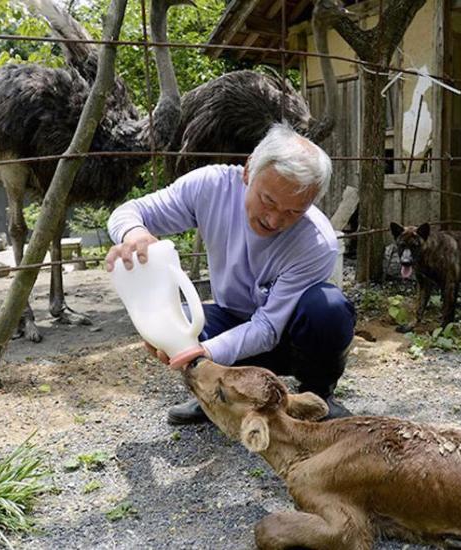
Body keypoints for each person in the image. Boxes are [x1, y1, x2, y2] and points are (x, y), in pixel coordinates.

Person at [106, 123, 356, 424]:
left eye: (293, 212)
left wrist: (203, 354)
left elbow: (267, 328)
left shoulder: (317, 243)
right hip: (231, 316)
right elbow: (129, 212)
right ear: (249, 170)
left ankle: (317, 397)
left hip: (290, 337)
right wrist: (134, 234)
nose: (275, 219)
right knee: (177, 321)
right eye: (268, 200)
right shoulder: (210, 187)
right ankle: (214, 396)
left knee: (328, 309)